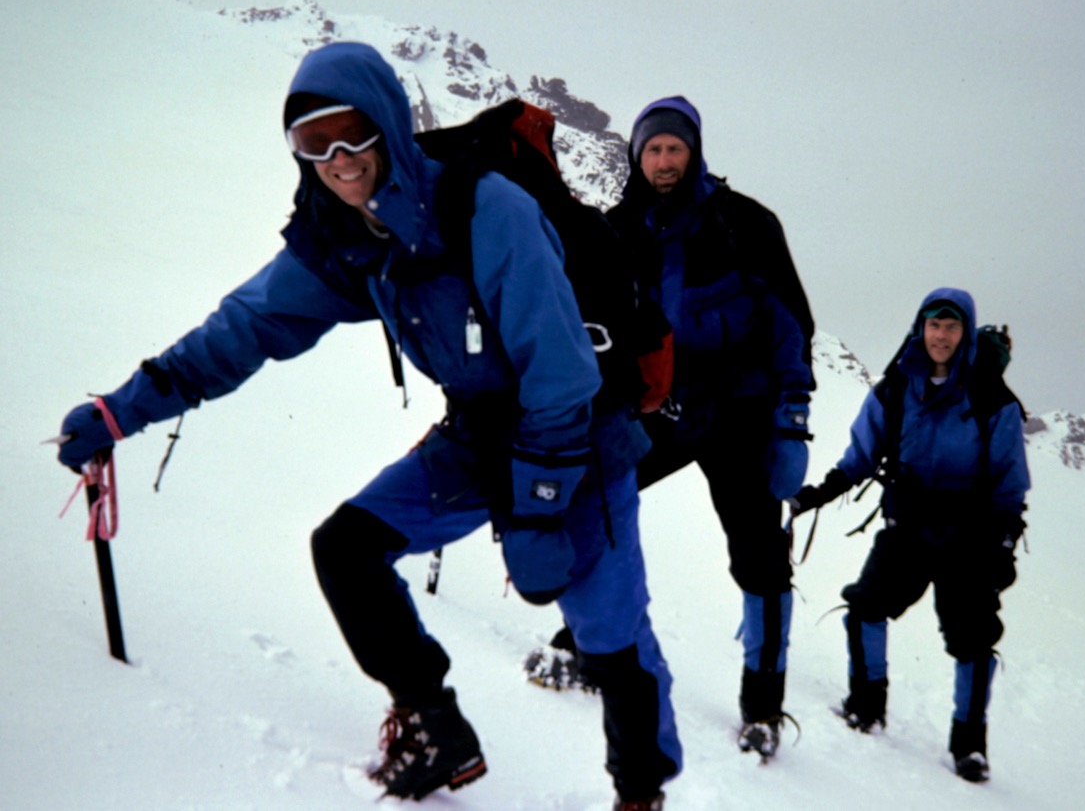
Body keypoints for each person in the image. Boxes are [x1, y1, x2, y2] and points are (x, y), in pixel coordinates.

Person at [53, 41, 679, 810]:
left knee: (608, 636)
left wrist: (542, 506)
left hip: (579, 442)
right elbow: (242, 330)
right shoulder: (345, 236)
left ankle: (641, 792)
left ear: (387, 122)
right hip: (477, 435)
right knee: (346, 547)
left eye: (352, 133)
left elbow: (562, 375)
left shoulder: (489, 210)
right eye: (313, 143)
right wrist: (123, 408)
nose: (340, 159)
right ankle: (434, 725)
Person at [529, 96, 816, 761]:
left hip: (740, 415)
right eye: (653, 149)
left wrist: (791, 423)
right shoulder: (615, 230)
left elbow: (790, 329)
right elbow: (586, 324)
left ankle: (764, 707)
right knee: (596, 510)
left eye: (674, 148)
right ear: (636, 156)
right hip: (653, 407)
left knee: (762, 558)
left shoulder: (747, 224)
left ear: (695, 152)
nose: (664, 160)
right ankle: (586, 644)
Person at [789, 287, 1030, 783]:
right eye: (934, 325)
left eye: (952, 326)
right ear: (921, 328)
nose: (941, 335)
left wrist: (1004, 541)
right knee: (866, 607)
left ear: (966, 333)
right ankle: (866, 707)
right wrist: (816, 493)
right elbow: (860, 455)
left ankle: (970, 747)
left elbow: (1010, 479)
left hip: (971, 537)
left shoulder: (991, 398)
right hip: (909, 526)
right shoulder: (895, 389)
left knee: (973, 640)